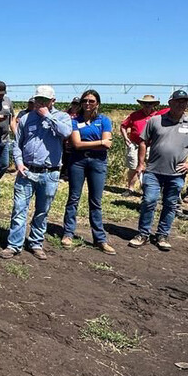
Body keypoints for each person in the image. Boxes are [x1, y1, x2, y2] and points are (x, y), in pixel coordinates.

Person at [129, 90, 188, 251]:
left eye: (185, 102)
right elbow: (142, 142)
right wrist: (141, 164)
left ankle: (162, 235)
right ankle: (143, 234)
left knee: (170, 204)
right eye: (179, 101)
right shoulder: (155, 121)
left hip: (176, 173)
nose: (182, 105)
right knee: (149, 201)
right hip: (153, 171)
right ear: (170, 103)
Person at [0, 85, 73, 260]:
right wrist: (18, 163)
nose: (40, 103)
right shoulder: (26, 119)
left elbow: (66, 133)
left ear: (53, 101)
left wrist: (47, 116)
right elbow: (17, 144)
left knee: (42, 210)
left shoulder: (62, 117)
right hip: (27, 171)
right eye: (38, 100)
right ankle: (14, 245)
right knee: (19, 209)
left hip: (50, 173)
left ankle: (36, 242)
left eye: (44, 100)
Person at [61, 90, 115, 254]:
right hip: (78, 162)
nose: (87, 104)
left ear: (97, 103)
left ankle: (99, 238)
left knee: (95, 201)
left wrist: (90, 143)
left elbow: (108, 144)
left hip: (98, 163)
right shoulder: (75, 121)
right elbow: (76, 144)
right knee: (74, 198)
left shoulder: (104, 120)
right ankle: (68, 233)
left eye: (91, 101)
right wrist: (100, 142)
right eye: (85, 100)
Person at [119, 96, 168, 195]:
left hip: (151, 145)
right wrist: (125, 138)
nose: (147, 105)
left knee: (152, 167)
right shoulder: (134, 115)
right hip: (135, 144)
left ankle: (150, 189)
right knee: (133, 166)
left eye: (150, 103)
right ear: (141, 104)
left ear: (154, 105)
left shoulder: (157, 116)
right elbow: (123, 126)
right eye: (145, 103)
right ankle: (130, 188)